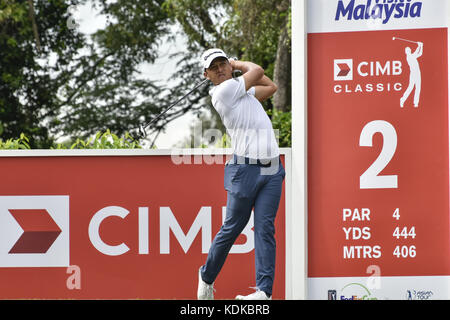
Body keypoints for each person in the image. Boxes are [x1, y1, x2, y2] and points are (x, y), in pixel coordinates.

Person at [197, 48, 285, 300]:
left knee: (265, 229)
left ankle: (263, 292)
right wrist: (236, 63)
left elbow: (271, 86)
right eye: (214, 67)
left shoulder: (241, 91)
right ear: (207, 75)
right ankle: (206, 276)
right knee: (233, 228)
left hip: (272, 168)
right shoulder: (223, 92)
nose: (220, 69)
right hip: (244, 169)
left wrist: (237, 70)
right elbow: (257, 71)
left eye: (223, 63)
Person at [400, 41, 423, 108]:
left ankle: (416, 103)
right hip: (413, 74)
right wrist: (419, 46)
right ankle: (402, 99)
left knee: (418, 88)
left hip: (418, 73)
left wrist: (421, 46)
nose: (408, 51)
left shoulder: (412, 56)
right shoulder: (409, 57)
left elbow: (420, 54)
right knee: (410, 87)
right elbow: (416, 53)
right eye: (407, 50)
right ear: (406, 52)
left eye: (409, 50)